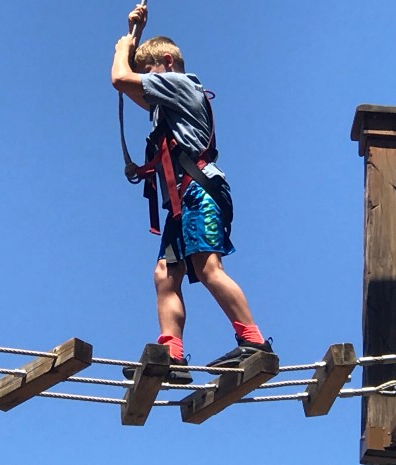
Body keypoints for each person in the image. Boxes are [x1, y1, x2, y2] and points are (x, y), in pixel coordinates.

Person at [111, 4, 273, 384]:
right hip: (182, 202)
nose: (146, 81)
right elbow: (130, 80)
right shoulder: (167, 102)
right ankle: (172, 354)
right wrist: (135, 34)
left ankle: (254, 341)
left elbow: (121, 78)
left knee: (207, 266)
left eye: (150, 71)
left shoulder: (181, 85)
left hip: (200, 191)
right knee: (165, 274)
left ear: (167, 63)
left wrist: (121, 47)